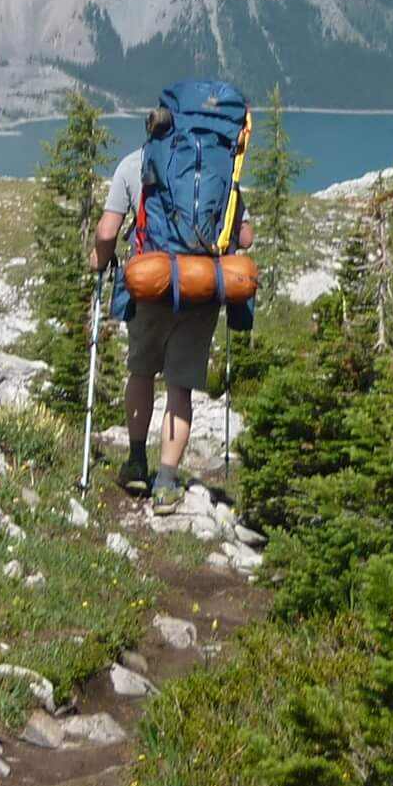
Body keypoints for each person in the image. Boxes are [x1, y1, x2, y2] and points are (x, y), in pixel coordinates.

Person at [90, 105, 256, 513]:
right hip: (200, 288)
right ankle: (166, 483)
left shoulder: (136, 163)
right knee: (180, 388)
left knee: (141, 372)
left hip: (151, 283)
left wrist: (99, 260)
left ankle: (134, 461)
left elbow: (107, 229)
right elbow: (246, 237)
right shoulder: (217, 168)